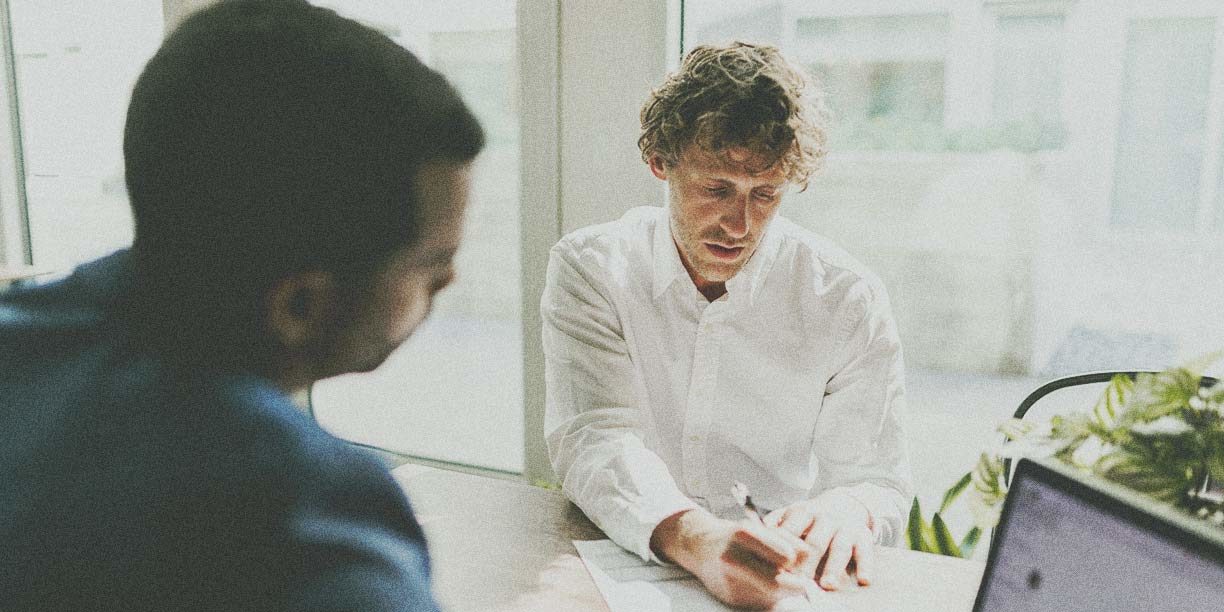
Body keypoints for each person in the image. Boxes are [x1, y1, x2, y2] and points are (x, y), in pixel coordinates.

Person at [0, 1, 483, 610]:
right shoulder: (308, 523)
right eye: (430, 266)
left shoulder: (20, 344)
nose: (451, 280)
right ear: (299, 306)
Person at [542, 41, 912, 609]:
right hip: (616, 567)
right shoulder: (592, 269)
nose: (739, 224)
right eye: (716, 189)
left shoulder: (846, 298)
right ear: (660, 163)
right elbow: (593, 436)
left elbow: (877, 482)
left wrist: (847, 507)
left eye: (765, 195)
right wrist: (697, 538)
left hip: (784, 577)